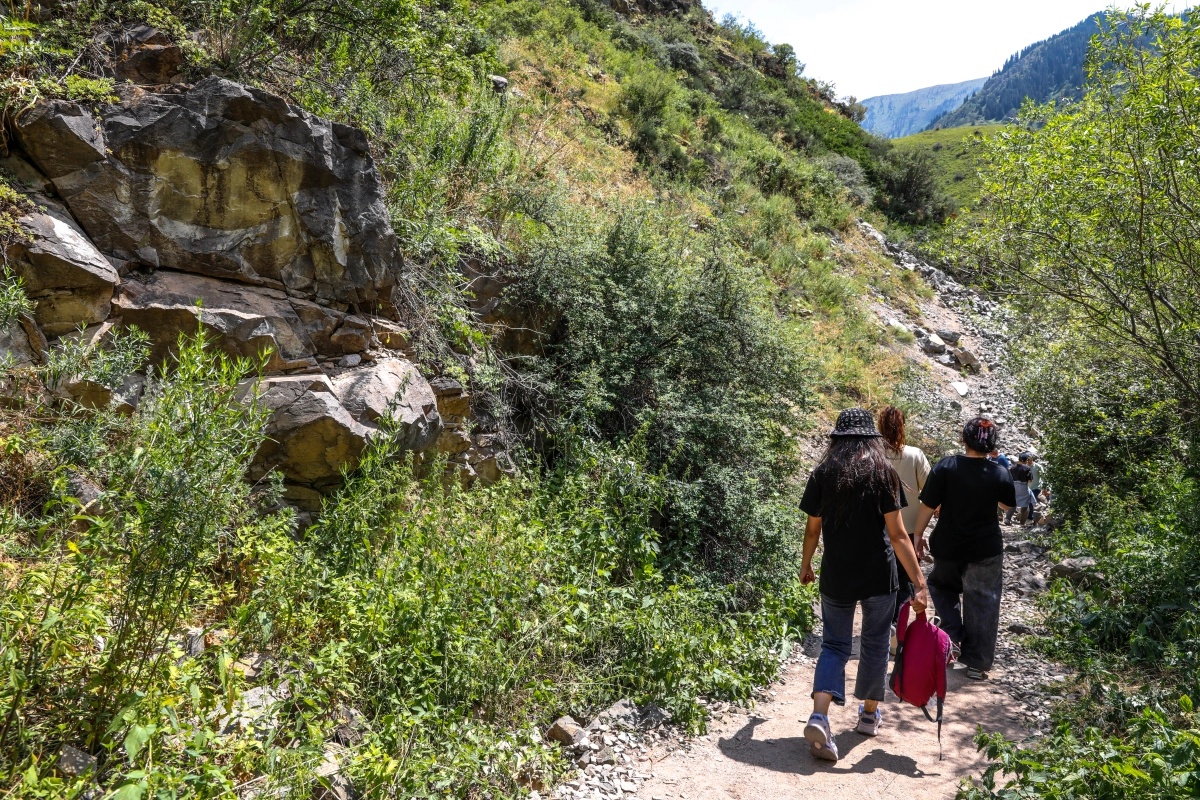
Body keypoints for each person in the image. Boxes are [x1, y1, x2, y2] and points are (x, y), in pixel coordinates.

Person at [799, 408, 930, 762]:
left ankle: (819, 715)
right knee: (873, 643)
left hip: (836, 574)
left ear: (837, 440)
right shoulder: (883, 474)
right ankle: (869, 715)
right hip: (878, 576)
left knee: (835, 644)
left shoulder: (823, 474)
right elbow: (899, 535)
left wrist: (806, 564)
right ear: (872, 440)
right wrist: (919, 583)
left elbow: (813, 529)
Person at [911, 418, 1016, 681]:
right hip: (985, 548)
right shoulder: (1000, 473)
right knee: (983, 601)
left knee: (941, 586)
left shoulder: (946, 466)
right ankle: (977, 664)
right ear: (992, 445)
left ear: (964, 439)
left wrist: (918, 535)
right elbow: (1006, 506)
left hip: (948, 545)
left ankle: (953, 634)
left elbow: (927, 504)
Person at [878, 406, 932, 631]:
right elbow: (929, 490)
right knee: (906, 579)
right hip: (909, 528)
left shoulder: (874, 454)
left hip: (879, 527)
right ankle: (896, 627)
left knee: (882, 579)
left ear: (880, 427)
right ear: (902, 427)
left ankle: (882, 625)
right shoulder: (915, 454)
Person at [1006, 453, 1034, 526]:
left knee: (1013, 502)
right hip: (1023, 487)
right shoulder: (1027, 468)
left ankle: (1007, 518)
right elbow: (1029, 480)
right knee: (1025, 504)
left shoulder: (1012, 467)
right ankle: (1022, 522)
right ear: (1026, 460)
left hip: (1013, 486)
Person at [1029, 453, 1045, 523]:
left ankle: (1030, 518)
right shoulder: (1024, 466)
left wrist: (1044, 487)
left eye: (1030, 459)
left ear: (1033, 459)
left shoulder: (1038, 467)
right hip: (1027, 488)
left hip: (1036, 487)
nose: (1028, 460)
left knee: (1030, 501)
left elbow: (1043, 477)